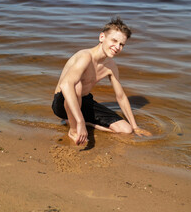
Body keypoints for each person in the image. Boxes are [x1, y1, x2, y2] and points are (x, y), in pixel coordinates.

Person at [52, 17, 152, 145]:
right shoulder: (85, 56)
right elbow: (66, 85)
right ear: (102, 37)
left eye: (121, 44)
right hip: (63, 103)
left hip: (84, 101)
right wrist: (80, 122)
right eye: (114, 41)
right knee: (76, 84)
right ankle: (74, 129)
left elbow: (120, 97)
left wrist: (134, 126)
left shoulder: (111, 66)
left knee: (125, 130)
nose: (117, 47)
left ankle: (84, 122)